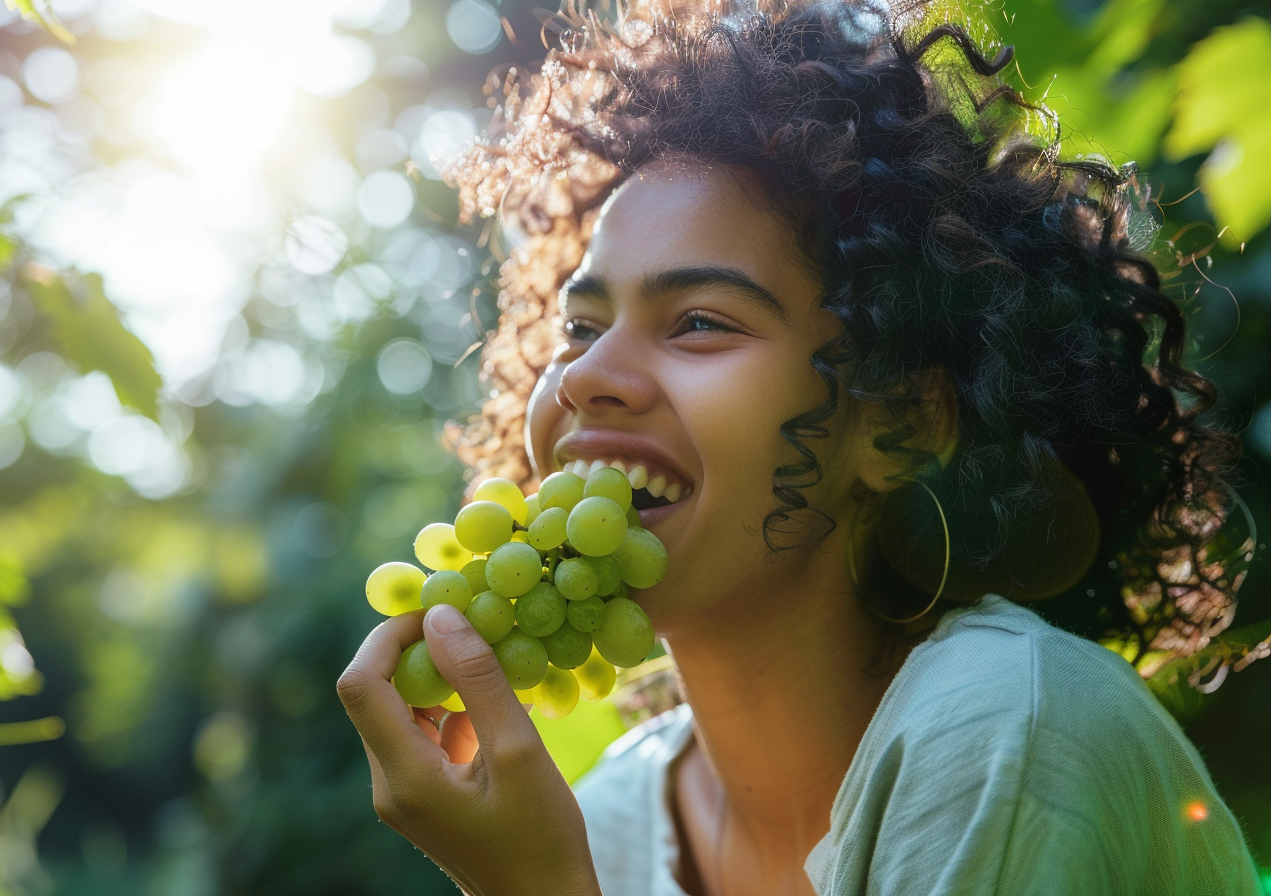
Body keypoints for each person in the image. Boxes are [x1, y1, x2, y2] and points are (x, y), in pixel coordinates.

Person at [336, 1, 1264, 893]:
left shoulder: (1008, 728)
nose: (582, 377)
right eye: (577, 330)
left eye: (699, 321)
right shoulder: (607, 815)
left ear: (900, 426)